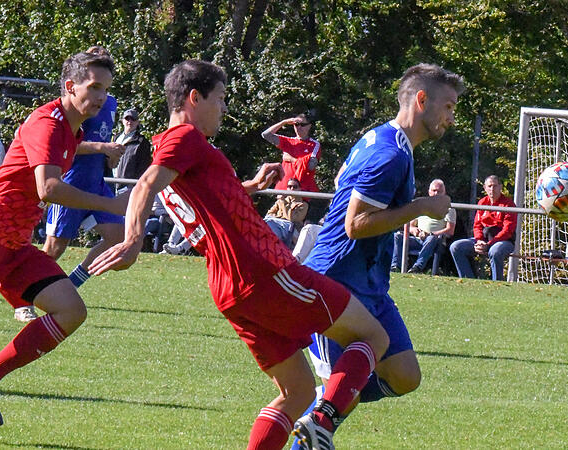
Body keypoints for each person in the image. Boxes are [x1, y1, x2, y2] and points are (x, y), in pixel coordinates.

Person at [88, 59, 388, 450]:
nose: (225, 109)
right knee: (373, 336)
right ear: (195, 98)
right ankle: (324, 422)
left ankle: (311, 418)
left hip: (229, 288)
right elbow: (145, 185)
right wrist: (132, 240)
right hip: (264, 270)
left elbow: (206, 203)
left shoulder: (168, 145)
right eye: (221, 98)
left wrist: (248, 186)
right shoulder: (186, 138)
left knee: (296, 390)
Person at [297, 63, 463, 448]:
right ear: (421, 100)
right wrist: (421, 206)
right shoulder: (390, 154)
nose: (452, 118)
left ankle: (329, 406)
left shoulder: (387, 141)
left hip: (369, 283)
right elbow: (355, 224)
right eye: (449, 107)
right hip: (334, 279)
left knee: (405, 375)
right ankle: (321, 415)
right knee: (340, 390)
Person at [0, 50, 126, 425]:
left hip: (16, 244)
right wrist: (109, 204)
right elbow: (48, 188)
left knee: (71, 311)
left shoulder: (73, 128)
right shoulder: (48, 123)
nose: (101, 96)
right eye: (94, 86)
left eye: (106, 89)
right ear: (70, 86)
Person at [41, 46, 125, 295]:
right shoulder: (77, 103)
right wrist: (102, 146)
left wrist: (109, 156)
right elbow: (67, 144)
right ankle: (25, 296)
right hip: (71, 183)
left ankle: (73, 282)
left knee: (118, 237)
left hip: (96, 181)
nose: (101, 94)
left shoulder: (109, 103)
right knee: (54, 249)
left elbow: (103, 139)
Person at [449, 175, 516, 280]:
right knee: (456, 247)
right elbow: (477, 225)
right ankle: (468, 281)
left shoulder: (508, 205)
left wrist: (489, 244)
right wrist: (480, 240)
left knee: (494, 251)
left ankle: (497, 284)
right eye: (489, 186)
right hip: (483, 240)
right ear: (485, 188)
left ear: (500, 187)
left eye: (495, 186)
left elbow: (507, 231)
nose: (492, 189)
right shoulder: (482, 202)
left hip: (503, 241)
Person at [390, 179, 455, 273]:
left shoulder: (449, 208)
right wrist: (414, 230)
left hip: (436, 241)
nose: (436, 193)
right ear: (429, 192)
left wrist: (431, 234)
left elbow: (450, 230)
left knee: (432, 238)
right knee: (397, 236)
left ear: (444, 192)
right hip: (418, 239)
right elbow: (410, 226)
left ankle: (417, 267)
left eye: (439, 191)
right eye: (434, 190)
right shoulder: (421, 206)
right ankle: (396, 266)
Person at [261, 112, 321, 193]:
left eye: (302, 125)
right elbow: (266, 135)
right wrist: (284, 122)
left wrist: (291, 159)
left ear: (309, 126)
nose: (299, 127)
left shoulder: (314, 144)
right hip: (282, 190)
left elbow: (310, 166)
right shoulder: (288, 141)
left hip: (301, 192)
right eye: (296, 124)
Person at [114, 108, 152, 193]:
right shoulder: (115, 138)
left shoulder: (142, 142)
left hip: (129, 187)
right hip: (111, 184)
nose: (130, 121)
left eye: (133, 119)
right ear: (122, 121)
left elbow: (144, 167)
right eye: (127, 118)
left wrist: (134, 187)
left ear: (137, 122)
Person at [264, 178, 309, 249]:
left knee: (270, 229)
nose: (292, 189)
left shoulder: (303, 204)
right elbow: (269, 213)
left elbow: (292, 218)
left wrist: (283, 203)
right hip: (275, 222)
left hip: (290, 227)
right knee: (265, 223)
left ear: (300, 189)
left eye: (295, 187)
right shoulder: (282, 200)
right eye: (289, 186)